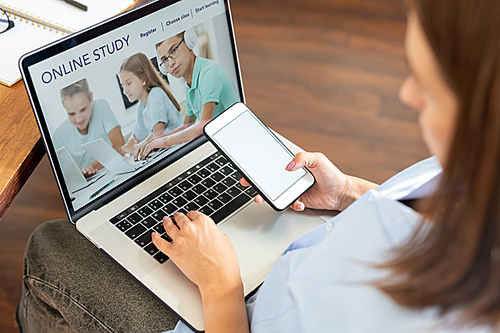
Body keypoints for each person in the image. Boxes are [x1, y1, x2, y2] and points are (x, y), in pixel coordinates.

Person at [16, 0, 500, 332]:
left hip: (236, 313)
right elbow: (433, 222)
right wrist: (349, 193)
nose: (407, 94)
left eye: (432, 87)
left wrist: (221, 285)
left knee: (52, 245)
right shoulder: (480, 168)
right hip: (300, 254)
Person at [134, 29, 239, 160]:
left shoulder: (209, 72)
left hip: (236, 145)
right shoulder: (190, 87)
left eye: (173, 51)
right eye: (164, 60)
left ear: (189, 42)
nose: (170, 63)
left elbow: (203, 126)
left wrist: (166, 141)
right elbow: (186, 126)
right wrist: (154, 141)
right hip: (220, 146)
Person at [52, 78, 125, 178]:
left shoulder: (101, 107)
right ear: (64, 107)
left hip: (113, 174)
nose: (78, 119)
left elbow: (120, 146)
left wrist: (92, 167)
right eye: (71, 114)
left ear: (91, 98)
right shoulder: (58, 135)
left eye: (83, 109)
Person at [118, 52, 184, 156]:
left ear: (143, 79)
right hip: (169, 152)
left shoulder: (156, 94)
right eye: (123, 85)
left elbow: (158, 134)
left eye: (129, 83)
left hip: (181, 147)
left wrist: (135, 148)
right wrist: (130, 143)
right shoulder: (141, 106)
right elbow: (136, 135)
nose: (125, 91)